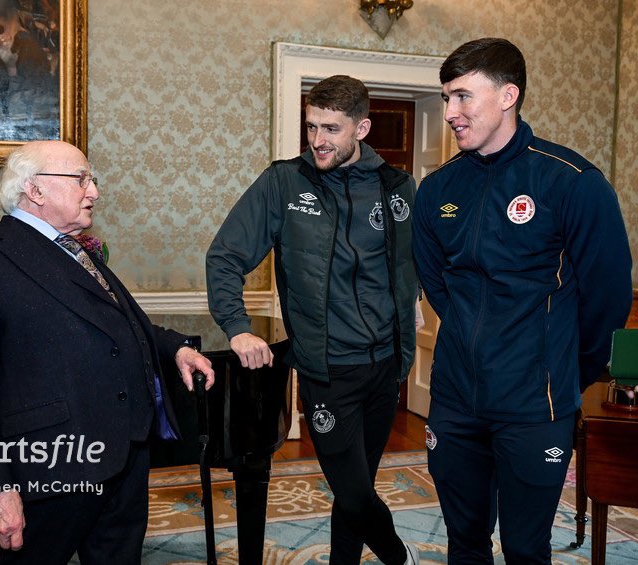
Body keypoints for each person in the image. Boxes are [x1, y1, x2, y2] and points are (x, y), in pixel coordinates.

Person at [412, 38, 633, 563]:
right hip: (455, 400)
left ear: (508, 94)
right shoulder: (437, 189)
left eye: (462, 97)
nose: (450, 113)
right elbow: (436, 282)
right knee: (464, 543)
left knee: (524, 547)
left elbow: (607, 297)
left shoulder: (572, 182)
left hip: (537, 405)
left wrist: (562, 371)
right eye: (446, 99)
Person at [0, 140, 215, 564]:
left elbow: (121, 322)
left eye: (91, 180)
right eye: (81, 179)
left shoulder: (77, 249)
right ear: (35, 191)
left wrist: (175, 347)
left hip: (124, 453)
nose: (94, 191)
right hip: (53, 465)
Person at [206, 75, 420, 565]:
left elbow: (416, 268)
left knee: (357, 486)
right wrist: (237, 326)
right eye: (311, 126)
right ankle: (398, 555)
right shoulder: (284, 182)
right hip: (329, 371)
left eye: (331, 128)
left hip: (386, 367)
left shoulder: (397, 187)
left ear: (362, 128)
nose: (318, 140)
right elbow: (224, 256)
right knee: (354, 491)